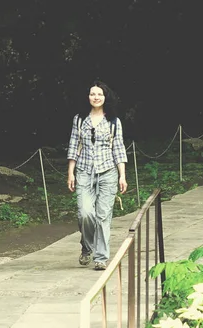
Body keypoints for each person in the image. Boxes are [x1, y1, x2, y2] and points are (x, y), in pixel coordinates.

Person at [67, 80, 128, 270]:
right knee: (85, 213)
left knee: (103, 216)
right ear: (88, 97)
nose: (96, 97)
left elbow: (119, 149)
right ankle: (87, 247)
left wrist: (122, 175)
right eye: (93, 94)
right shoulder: (79, 119)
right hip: (84, 172)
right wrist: (71, 173)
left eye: (99, 94)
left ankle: (101, 257)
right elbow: (73, 147)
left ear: (105, 97)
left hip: (108, 172)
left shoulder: (113, 122)